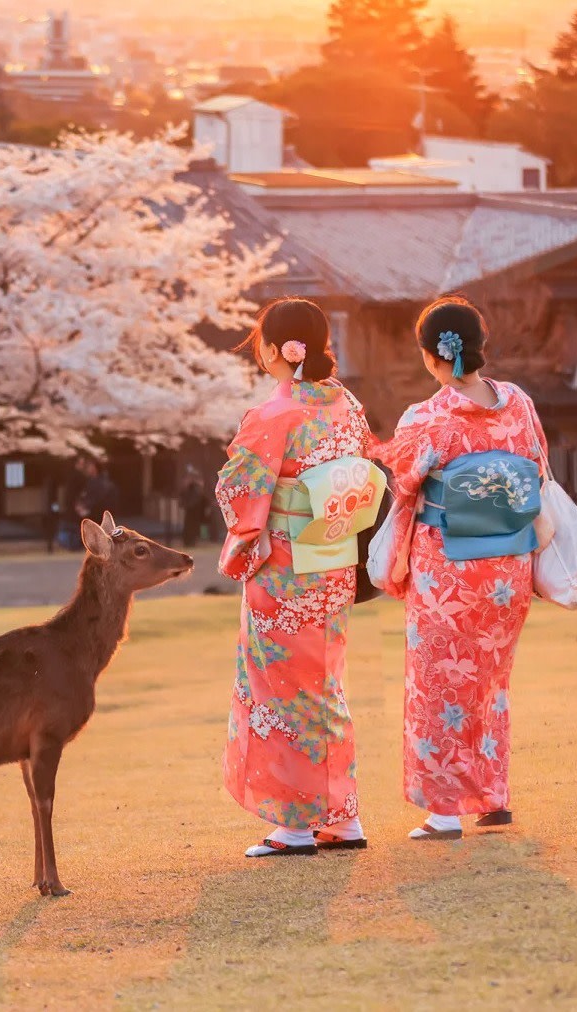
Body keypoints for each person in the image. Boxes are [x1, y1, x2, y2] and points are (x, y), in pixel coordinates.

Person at [376, 295, 550, 841]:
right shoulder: (518, 402)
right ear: (480, 345)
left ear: (431, 356)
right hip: (508, 568)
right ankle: (492, 797)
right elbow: (539, 466)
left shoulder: (427, 416)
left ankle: (445, 811)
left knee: (438, 685)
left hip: (448, 569)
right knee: (489, 684)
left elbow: (402, 482)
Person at [215, 297, 379, 857]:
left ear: (274, 349)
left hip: (284, 573)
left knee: (283, 690)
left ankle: (294, 823)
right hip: (331, 563)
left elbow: (241, 492)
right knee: (325, 686)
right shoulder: (347, 407)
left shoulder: (274, 416)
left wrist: (244, 538)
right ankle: (341, 816)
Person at [179, 465, 209, 547]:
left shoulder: (197, 488)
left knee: (193, 527)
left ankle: (191, 541)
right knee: (190, 526)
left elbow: (202, 499)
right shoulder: (191, 488)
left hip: (194, 511)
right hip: (191, 510)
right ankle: (189, 541)